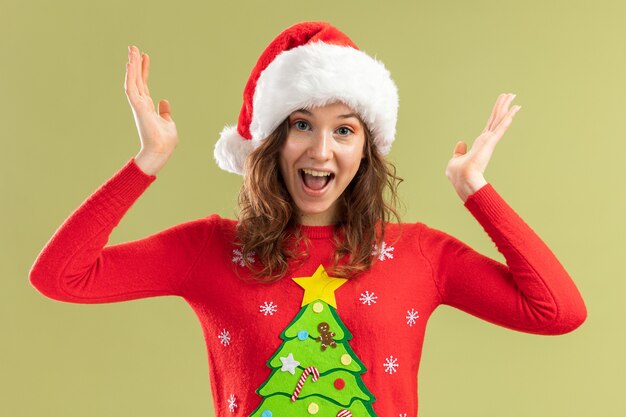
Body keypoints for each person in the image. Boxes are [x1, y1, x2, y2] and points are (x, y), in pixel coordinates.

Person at [29, 21, 587, 417]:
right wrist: (147, 161)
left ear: (366, 149)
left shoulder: (419, 255)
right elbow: (60, 276)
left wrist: (475, 189)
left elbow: (558, 312)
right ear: (269, 141)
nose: (321, 151)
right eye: (301, 124)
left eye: (344, 129)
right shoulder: (210, 249)